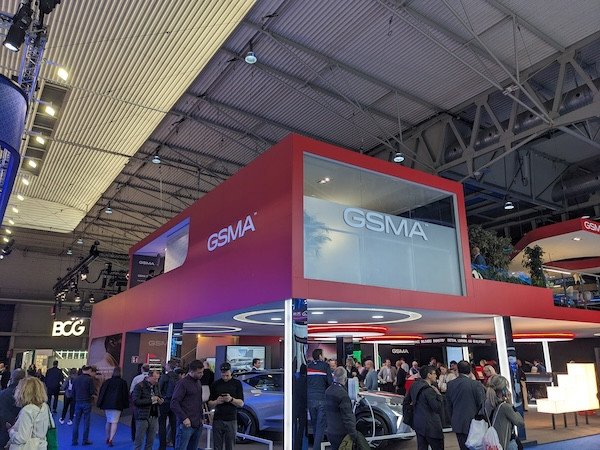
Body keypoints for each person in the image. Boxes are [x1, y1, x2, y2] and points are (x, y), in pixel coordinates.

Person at [446, 360, 486, 450]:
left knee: (463, 447)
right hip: (475, 423)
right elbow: (482, 404)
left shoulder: (450, 384)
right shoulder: (475, 384)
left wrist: (452, 420)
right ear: (470, 370)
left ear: (458, 370)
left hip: (457, 422)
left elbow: (448, 405)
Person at [7, 377, 52, 449]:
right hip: (41, 446)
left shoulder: (27, 410)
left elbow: (22, 438)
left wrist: (11, 432)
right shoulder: (45, 406)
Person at [405, 365, 443, 450]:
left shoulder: (414, 385)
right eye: (434, 373)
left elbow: (406, 401)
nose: (436, 376)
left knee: (422, 447)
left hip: (418, 423)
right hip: (432, 426)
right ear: (429, 375)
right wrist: (439, 395)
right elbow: (437, 407)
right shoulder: (429, 390)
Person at [208, 362, 244, 450]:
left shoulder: (237, 383)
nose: (225, 376)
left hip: (231, 419)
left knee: (230, 446)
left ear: (230, 371)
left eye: (227, 373)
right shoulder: (215, 384)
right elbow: (209, 403)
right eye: (223, 373)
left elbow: (241, 403)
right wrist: (217, 402)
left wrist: (231, 399)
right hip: (218, 419)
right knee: (217, 446)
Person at [170, 360, 205, 450]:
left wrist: (202, 418)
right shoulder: (182, 383)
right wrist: (184, 418)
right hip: (186, 424)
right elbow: (174, 403)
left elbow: (198, 401)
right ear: (191, 371)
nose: (202, 374)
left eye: (202, 372)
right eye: (199, 372)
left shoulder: (198, 382)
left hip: (197, 424)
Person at [484, 375, 524, 450]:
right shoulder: (505, 407)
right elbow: (520, 422)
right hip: (506, 443)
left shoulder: (486, 404)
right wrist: (511, 404)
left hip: (491, 443)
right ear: (503, 390)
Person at [325, 367, 356, 450]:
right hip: (341, 433)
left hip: (330, 431)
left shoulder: (328, 391)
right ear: (345, 379)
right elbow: (347, 417)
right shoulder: (343, 394)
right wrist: (353, 434)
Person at [97, 366, 129, 447]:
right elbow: (125, 395)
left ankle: (107, 437)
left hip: (107, 404)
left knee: (108, 421)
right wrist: (125, 404)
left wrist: (100, 403)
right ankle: (111, 439)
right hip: (117, 405)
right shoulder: (123, 382)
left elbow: (102, 393)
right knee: (114, 422)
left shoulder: (107, 382)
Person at [307, 349, 332, 450]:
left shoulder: (308, 366)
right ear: (320, 356)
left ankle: (317, 445)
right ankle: (317, 447)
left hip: (310, 398)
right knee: (321, 425)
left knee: (314, 424)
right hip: (322, 398)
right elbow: (330, 382)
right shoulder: (325, 366)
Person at [133, 369, 163, 450]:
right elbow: (136, 401)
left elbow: (159, 396)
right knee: (139, 441)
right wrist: (151, 400)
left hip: (154, 415)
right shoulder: (139, 386)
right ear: (149, 377)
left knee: (151, 441)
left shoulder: (157, 385)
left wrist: (160, 400)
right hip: (142, 416)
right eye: (155, 378)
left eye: (158, 379)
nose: (156, 381)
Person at [71, 365, 97, 446]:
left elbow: (73, 392)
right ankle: (85, 440)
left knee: (76, 422)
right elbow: (92, 392)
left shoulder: (76, 379)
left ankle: (74, 440)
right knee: (86, 422)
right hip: (87, 402)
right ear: (89, 370)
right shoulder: (90, 379)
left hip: (78, 402)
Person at [0, 369, 26, 448]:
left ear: (11, 378)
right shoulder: (27, 397)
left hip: (3, 434)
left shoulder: (2, 394)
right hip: (21, 437)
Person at [158, 360, 180, 450]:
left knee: (162, 425)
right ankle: (175, 445)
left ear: (168, 366)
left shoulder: (164, 376)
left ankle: (162, 446)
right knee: (174, 425)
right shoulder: (178, 377)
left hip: (164, 403)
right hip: (174, 403)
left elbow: (159, 389)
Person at [130, 364, 150, 441]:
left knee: (135, 419)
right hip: (148, 402)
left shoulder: (136, 378)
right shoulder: (151, 378)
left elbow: (131, 390)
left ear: (142, 369)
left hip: (137, 402)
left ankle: (134, 437)